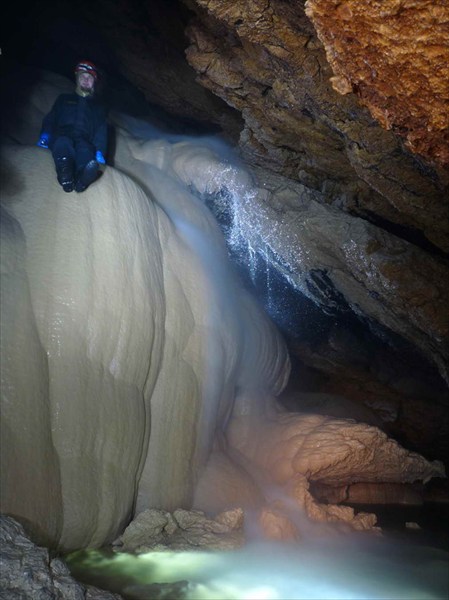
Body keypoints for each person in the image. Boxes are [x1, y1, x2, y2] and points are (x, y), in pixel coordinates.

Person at [37, 60, 108, 193]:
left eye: (89, 78)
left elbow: (101, 133)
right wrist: (45, 136)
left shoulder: (97, 109)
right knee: (63, 143)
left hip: (84, 140)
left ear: (94, 82)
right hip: (62, 135)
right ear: (77, 79)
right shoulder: (64, 99)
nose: (86, 80)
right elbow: (50, 120)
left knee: (85, 150)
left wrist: (100, 153)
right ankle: (65, 175)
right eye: (83, 77)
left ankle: (83, 179)